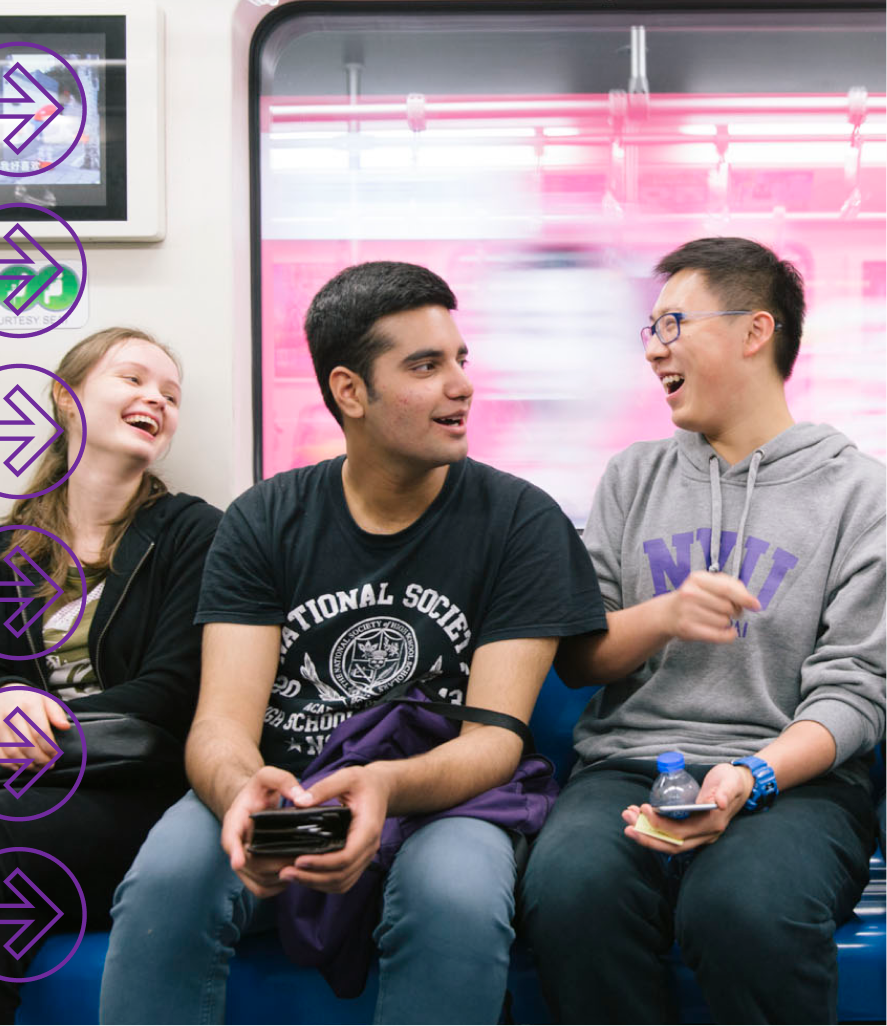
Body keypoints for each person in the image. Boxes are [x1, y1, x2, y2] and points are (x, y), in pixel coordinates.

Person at [97, 261, 606, 1026]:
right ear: (349, 392)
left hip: (445, 796)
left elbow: (494, 739)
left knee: (455, 901)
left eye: (460, 360)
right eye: (425, 366)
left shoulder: (520, 521)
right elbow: (220, 726)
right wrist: (244, 797)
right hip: (288, 784)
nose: (461, 385)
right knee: (166, 884)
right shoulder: (265, 519)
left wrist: (383, 787)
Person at [519, 237, 887, 1026]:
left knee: (742, 913)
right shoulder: (632, 475)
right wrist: (663, 616)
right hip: (627, 767)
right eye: (647, 331)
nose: (654, 351)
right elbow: (582, 660)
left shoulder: (860, 494)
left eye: (672, 324)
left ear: (755, 332)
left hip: (795, 782)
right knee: (568, 895)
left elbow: (854, 695)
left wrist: (748, 777)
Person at [0, 328, 221, 1023]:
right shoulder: (11, 549)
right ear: (66, 399)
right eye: (132, 379)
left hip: (136, 793)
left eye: (170, 395)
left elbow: (173, 691)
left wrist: (45, 727)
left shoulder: (193, 532)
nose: (154, 398)